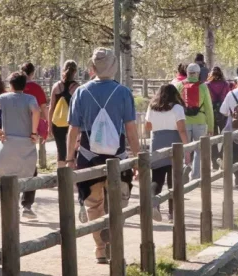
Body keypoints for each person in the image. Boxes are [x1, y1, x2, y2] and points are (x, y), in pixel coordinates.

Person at [66, 47, 140, 264]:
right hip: (118, 157)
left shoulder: (81, 92)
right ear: (114, 66)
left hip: (88, 156)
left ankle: (100, 249)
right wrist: (136, 158)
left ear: (93, 67)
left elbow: (73, 130)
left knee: (93, 205)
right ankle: (115, 248)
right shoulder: (123, 93)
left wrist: (70, 159)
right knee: (119, 204)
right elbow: (131, 130)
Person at [0, 72, 40, 218]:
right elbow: (36, 111)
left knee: (8, 174)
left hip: (8, 142)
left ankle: (12, 206)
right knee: (30, 173)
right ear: (25, 84)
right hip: (26, 142)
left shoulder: (4, 97)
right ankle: (27, 206)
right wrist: (34, 132)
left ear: (10, 84)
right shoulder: (30, 98)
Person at [145, 84, 189, 222]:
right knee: (173, 180)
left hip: (157, 142)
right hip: (173, 143)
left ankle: (155, 203)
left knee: (157, 178)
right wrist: (187, 150)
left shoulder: (152, 107)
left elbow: (148, 126)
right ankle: (172, 213)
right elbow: (181, 129)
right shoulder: (177, 108)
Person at [175, 63, 214, 181]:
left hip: (184, 121)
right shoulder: (203, 87)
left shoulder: (179, 86)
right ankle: (196, 176)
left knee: (184, 148)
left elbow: (175, 105)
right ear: (198, 73)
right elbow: (208, 107)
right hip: (200, 121)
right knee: (199, 149)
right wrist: (211, 127)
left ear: (187, 73)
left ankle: (184, 170)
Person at [20, 62, 49, 218]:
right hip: (31, 131)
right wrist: (47, 126)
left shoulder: (15, 88)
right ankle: (26, 204)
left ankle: (17, 202)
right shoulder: (36, 89)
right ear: (33, 72)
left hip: (14, 132)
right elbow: (43, 109)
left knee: (16, 166)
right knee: (31, 167)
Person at [48, 60, 80, 168]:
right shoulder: (77, 88)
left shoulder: (56, 86)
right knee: (73, 151)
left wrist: (49, 126)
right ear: (75, 71)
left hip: (57, 123)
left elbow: (51, 107)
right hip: (72, 123)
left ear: (63, 70)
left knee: (60, 151)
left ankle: (61, 178)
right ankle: (72, 179)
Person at [206, 66, 230, 170]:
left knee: (213, 137)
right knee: (225, 136)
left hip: (211, 113)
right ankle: (222, 157)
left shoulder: (207, 85)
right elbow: (227, 98)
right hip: (223, 112)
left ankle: (214, 162)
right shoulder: (225, 85)